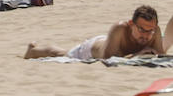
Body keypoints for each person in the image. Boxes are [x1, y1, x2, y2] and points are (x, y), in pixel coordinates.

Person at [24, 5, 163, 60]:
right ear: (131, 24)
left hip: (108, 42)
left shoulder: (155, 31)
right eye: (141, 30)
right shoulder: (120, 28)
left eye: (149, 31)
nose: (146, 35)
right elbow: (108, 59)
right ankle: (33, 51)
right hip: (91, 50)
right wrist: (137, 55)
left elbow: (160, 56)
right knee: (61, 54)